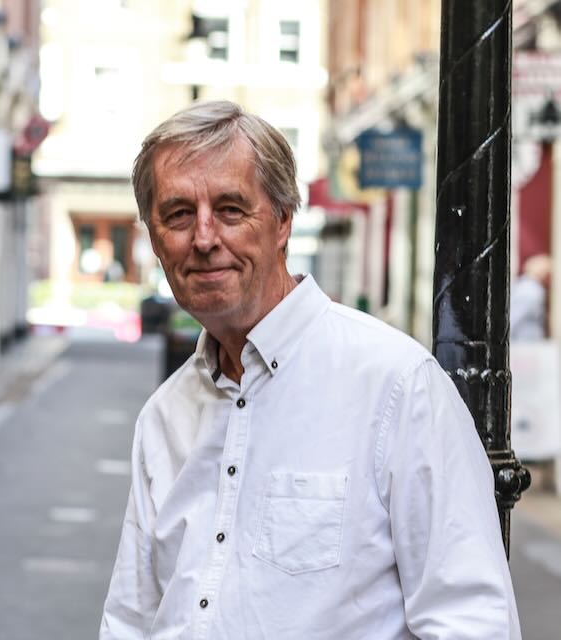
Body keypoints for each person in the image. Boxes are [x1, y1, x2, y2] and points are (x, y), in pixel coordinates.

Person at [100, 101, 521, 639]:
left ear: (282, 221)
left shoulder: (396, 385)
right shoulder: (165, 415)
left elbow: (473, 621)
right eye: (179, 214)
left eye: (230, 209)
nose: (204, 239)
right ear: (155, 238)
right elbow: (130, 620)